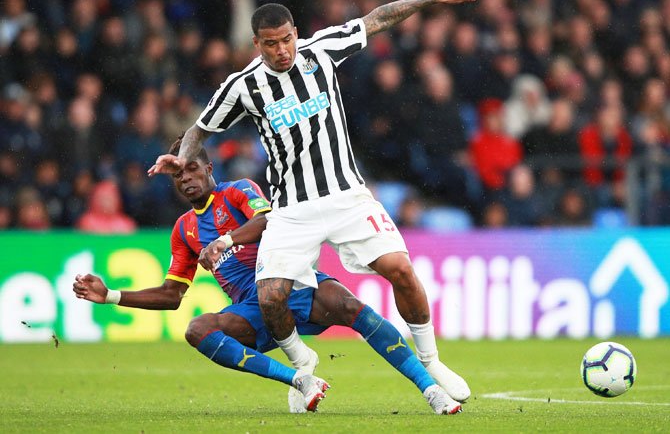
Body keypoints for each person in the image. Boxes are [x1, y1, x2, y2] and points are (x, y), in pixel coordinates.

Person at [148, 0, 482, 403]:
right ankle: (301, 361)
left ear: (296, 34)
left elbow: (377, 18)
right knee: (271, 298)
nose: (281, 50)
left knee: (399, 268)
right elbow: (200, 128)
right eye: (270, 43)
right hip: (290, 209)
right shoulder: (242, 86)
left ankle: (431, 358)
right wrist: (182, 155)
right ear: (257, 44)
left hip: (346, 195)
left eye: (286, 39)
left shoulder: (321, 51)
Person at [75, 135, 462, 415]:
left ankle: (429, 388)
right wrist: (111, 296)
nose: (187, 178)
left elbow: (267, 219)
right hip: (252, 308)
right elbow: (172, 294)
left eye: (193, 168)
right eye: (179, 176)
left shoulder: (238, 191)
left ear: (209, 169)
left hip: (293, 283)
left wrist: (226, 240)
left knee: (351, 306)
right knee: (197, 330)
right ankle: (299, 379)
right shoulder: (183, 230)